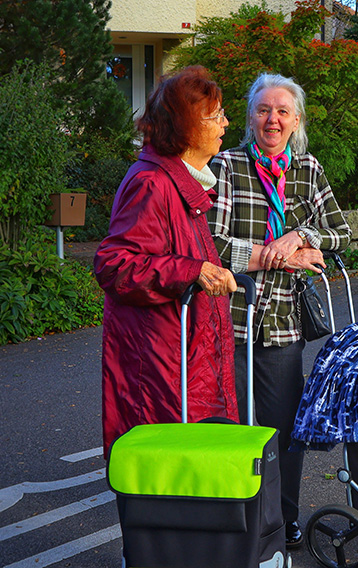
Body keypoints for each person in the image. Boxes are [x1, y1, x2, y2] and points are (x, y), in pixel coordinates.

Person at [208, 73, 351, 547]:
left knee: (285, 432)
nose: (273, 119)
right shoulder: (226, 165)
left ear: (296, 121)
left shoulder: (308, 169)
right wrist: (277, 254)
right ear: (250, 117)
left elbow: (341, 233)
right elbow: (209, 241)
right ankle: (239, 523)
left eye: (282, 111)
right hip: (232, 320)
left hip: (285, 324)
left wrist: (303, 237)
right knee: (235, 430)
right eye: (263, 110)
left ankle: (284, 519)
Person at [94, 66, 239, 457]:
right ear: (186, 125)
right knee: (168, 484)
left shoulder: (179, 181)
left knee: (195, 482)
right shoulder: (152, 183)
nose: (226, 123)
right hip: (160, 369)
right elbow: (114, 264)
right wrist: (193, 271)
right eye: (216, 115)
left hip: (182, 363)